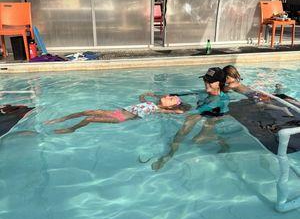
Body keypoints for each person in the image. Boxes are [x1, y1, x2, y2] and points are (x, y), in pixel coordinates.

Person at [151, 67, 230, 170]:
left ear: (219, 83)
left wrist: (167, 110)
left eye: (210, 81)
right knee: (187, 123)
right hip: (203, 110)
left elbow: (198, 110)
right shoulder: (206, 92)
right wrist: (170, 95)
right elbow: (191, 93)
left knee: (197, 140)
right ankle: (169, 154)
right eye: (205, 80)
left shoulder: (219, 100)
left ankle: (218, 139)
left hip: (213, 116)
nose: (206, 83)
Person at [45, 93, 190, 134]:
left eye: (170, 99)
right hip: (117, 111)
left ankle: (71, 129)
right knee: (88, 111)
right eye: (169, 96)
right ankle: (62, 119)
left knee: (90, 118)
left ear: (170, 107)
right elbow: (141, 101)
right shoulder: (154, 104)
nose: (167, 96)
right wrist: (145, 95)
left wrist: (179, 108)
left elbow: (178, 111)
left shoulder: (160, 109)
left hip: (120, 117)